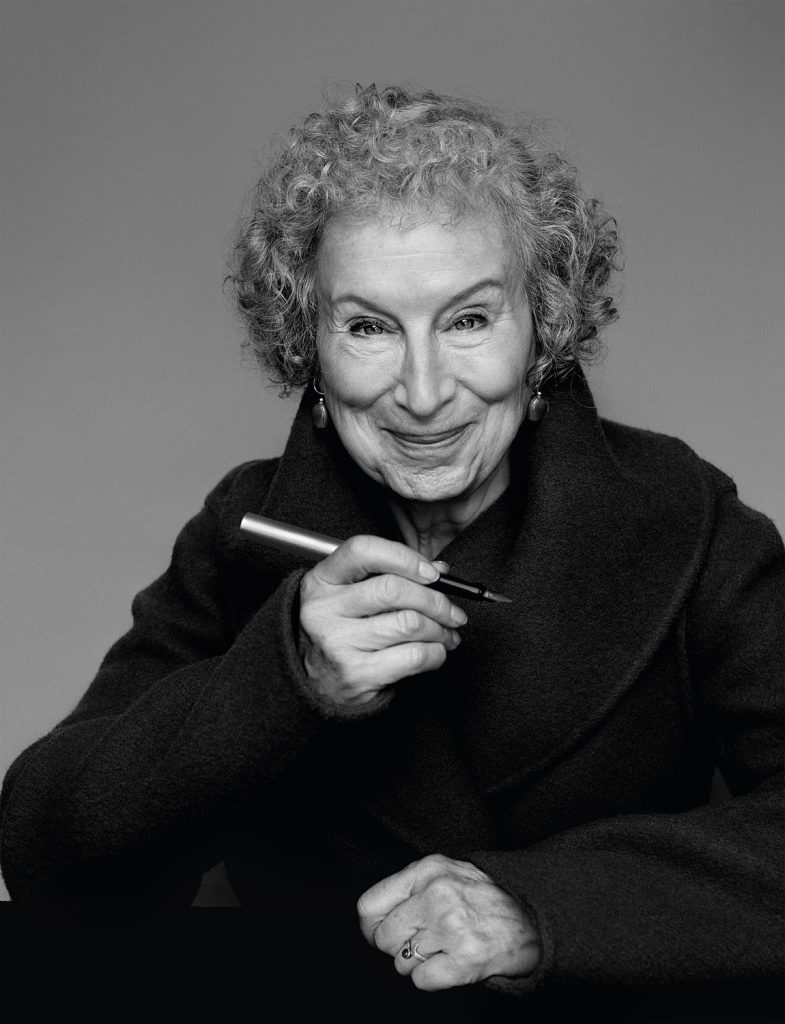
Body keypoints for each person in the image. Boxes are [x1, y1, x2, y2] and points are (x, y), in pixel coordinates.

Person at [1, 85, 782, 1024]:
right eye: (369, 327)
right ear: (308, 346)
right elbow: (48, 854)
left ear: (542, 330)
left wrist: (548, 911)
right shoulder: (244, 533)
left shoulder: (685, 518)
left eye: (468, 320)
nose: (421, 392)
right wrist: (280, 684)